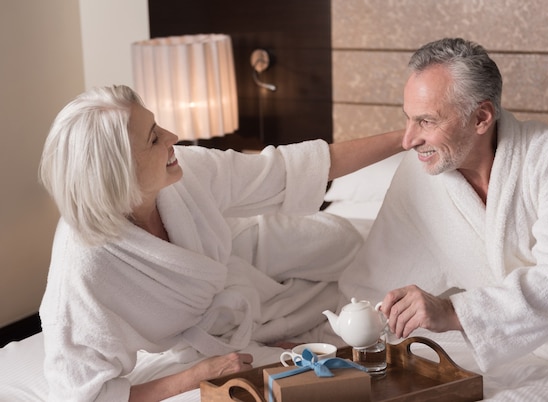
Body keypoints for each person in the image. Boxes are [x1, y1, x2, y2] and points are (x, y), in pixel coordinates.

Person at [38, 85, 404, 402]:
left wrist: (401, 137)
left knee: (347, 242)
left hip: (244, 254)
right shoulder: (84, 268)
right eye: (154, 137)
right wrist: (192, 376)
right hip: (217, 314)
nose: (173, 136)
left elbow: (289, 169)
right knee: (351, 296)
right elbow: (80, 395)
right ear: (116, 172)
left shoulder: (186, 171)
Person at [338, 38, 548, 384]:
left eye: (427, 122)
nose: (408, 139)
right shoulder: (420, 174)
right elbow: (377, 276)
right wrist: (333, 341)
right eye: (408, 119)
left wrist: (452, 311)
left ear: (481, 117)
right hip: (515, 335)